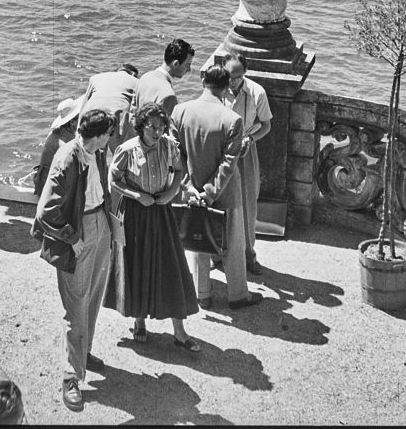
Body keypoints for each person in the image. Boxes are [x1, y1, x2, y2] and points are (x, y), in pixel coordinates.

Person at [32, 108, 115, 413]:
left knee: (92, 296)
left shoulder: (96, 153)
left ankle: (83, 353)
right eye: (108, 134)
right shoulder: (68, 157)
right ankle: (71, 376)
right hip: (78, 233)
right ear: (98, 134)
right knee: (76, 306)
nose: (111, 139)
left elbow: (99, 190)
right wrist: (71, 237)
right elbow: (46, 212)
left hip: (99, 226)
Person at [104, 102, 199, 350]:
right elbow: (113, 181)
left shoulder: (169, 146)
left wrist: (172, 191)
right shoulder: (126, 150)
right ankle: (139, 321)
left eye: (161, 127)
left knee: (171, 266)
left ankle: (179, 331)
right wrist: (136, 196)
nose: (157, 132)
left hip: (161, 210)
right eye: (152, 127)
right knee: (137, 265)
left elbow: (179, 171)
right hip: (135, 213)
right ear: (141, 126)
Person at [171, 65, 259, 310]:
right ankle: (238, 295)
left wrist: (191, 189)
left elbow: (175, 155)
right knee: (233, 243)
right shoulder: (232, 119)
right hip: (226, 193)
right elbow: (228, 164)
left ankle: (203, 294)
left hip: (192, 191)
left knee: (197, 241)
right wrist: (210, 193)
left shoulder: (180, 112)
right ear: (226, 86)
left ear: (203, 82)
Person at [204, 50, 272, 274]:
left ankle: (248, 255)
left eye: (238, 76)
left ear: (245, 73)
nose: (233, 81)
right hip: (219, 152)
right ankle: (217, 254)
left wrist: (249, 139)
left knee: (247, 205)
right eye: (230, 76)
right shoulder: (215, 89)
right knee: (216, 202)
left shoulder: (256, 92)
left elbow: (266, 125)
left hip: (245, 153)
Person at [32, 97, 83, 198]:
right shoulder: (64, 143)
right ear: (72, 122)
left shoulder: (59, 133)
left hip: (44, 182)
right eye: (80, 117)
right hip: (50, 189)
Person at [133, 39, 194, 118]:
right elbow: (164, 128)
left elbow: (133, 113)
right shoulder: (169, 96)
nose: (189, 69)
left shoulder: (144, 77)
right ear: (176, 64)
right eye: (187, 65)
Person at [83, 62, 138, 147]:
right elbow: (134, 107)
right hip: (116, 114)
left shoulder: (96, 78)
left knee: (93, 149)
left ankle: (100, 158)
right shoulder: (136, 81)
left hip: (91, 113)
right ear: (133, 74)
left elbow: (84, 102)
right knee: (118, 150)